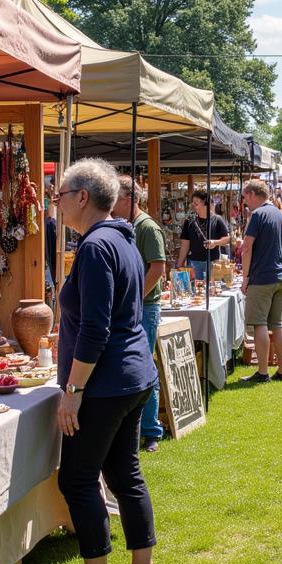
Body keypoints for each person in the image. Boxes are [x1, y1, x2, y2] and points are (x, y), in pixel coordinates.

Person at [47, 158, 159, 564]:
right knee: (123, 472)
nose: (56, 203)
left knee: (77, 479)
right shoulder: (121, 239)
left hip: (107, 382)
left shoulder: (96, 247)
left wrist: (72, 392)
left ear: (82, 197)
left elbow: (96, 329)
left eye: (59, 195)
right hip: (131, 376)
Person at [115, 176, 168, 454]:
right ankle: (135, 429)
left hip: (145, 308)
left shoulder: (146, 227)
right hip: (133, 307)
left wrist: (134, 298)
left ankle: (150, 431)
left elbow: (158, 268)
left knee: (144, 367)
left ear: (128, 199)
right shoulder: (125, 226)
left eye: (115, 198)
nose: (111, 204)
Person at [240, 178, 282, 383]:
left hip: (262, 277)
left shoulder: (257, 214)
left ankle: (262, 372)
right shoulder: (280, 213)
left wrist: (245, 277)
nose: (244, 202)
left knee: (260, 324)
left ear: (252, 194)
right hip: (280, 275)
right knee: (277, 325)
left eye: (245, 198)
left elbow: (247, 247)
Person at [176, 189, 230, 281]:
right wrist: (179, 264)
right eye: (193, 202)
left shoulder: (217, 219)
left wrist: (215, 242)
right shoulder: (189, 221)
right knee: (194, 291)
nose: (193, 205)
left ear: (205, 202)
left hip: (212, 262)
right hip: (193, 262)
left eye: (196, 202)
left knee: (212, 291)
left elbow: (227, 238)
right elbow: (185, 244)